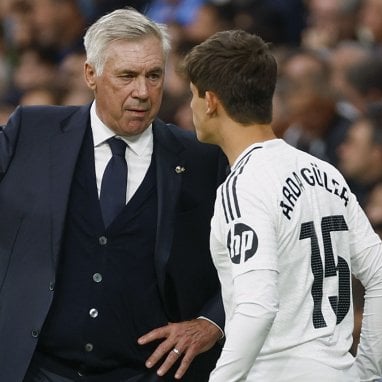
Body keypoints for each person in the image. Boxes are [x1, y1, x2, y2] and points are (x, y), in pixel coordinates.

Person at [0, 8, 228, 381]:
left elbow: (248, 257)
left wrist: (210, 322)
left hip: (147, 373)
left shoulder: (202, 158)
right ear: (91, 74)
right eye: (127, 76)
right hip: (36, 368)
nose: (142, 92)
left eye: (154, 75)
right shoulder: (31, 132)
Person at [183, 29, 382, 381]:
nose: (190, 107)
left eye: (192, 96)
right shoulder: (325, 172)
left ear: (210, 101)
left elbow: (257, 306)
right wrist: (366, 372)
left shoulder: (242, 185)